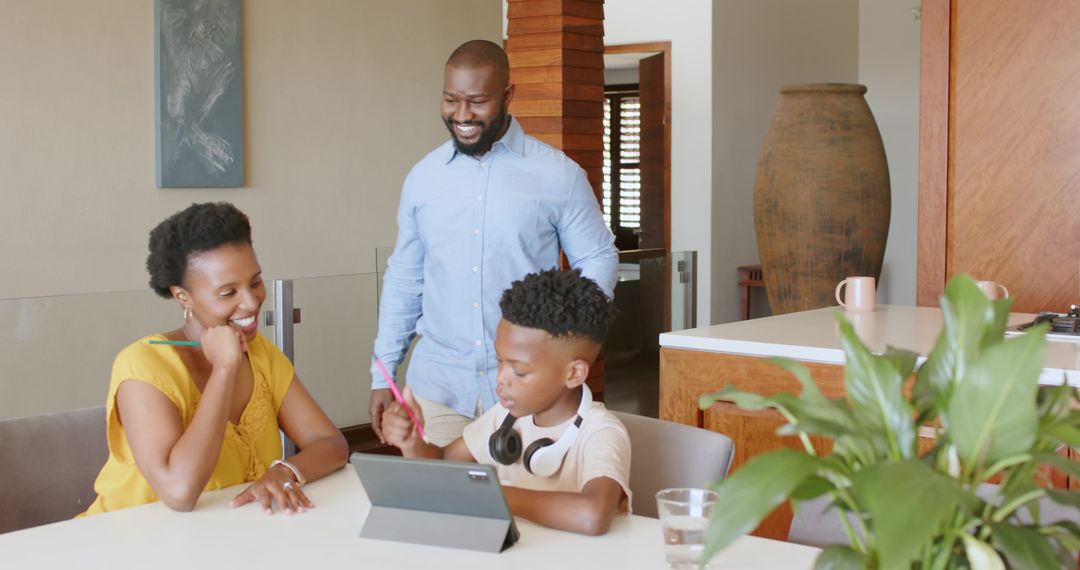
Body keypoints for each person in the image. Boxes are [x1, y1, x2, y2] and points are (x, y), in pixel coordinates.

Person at [370, 39, 618, 446]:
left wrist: (567, 343)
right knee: (440, 504)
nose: (462, 114)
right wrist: (382, 374)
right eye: (451, 100)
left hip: (529, 388)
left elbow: (597, 257)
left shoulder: (558, 175)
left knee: (530, 504)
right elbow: (405, 278)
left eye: (477, 101)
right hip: (438, 387)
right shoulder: (422, 178)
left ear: (507, 95)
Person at [82, 202, 348, 516]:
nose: (250, 302)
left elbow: (330, 443)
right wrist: (225, 367)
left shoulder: (261, 353)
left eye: (255, 282)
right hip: (127, 542)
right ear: (183, 296)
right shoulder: (143, 365)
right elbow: (179, 492)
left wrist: (284, 471)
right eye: (228, 293)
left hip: (226, 535)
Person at [380, 269, 630, 536]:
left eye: (519, 371)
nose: (501, 379)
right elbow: (443, 463)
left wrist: (491, 493)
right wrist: (412, 442)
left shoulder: (600, 432)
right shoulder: (505, 417)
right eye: (499, 361)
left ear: (573, 374)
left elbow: (592, 516)